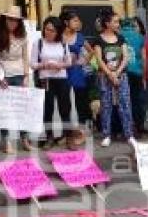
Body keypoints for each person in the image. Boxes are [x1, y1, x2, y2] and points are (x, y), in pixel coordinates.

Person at [93, 9, 137, 148]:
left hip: (121, 75)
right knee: (106, 105)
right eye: (115, 21)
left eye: (118, 21)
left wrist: (117, 73)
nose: (118, 24)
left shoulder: (121, 38)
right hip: (104, 76)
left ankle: (129, 134)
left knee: (125, 104)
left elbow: (125, 57)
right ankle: (106, 134)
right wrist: (110, 74)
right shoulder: (98, 39)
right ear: (107, 23)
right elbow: (99, 60)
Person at [0, 5, 32, 153]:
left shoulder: (23, 36)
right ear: (4, 20)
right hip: (3, 75)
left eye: (15, 20)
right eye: (10, 19)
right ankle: (7, 142)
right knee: (4, 110)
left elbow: (25, 57)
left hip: (19, 74)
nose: (13, 23)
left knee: (22, 108)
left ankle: (25, 139)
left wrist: (26, 76)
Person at [31, 16, 73, 149]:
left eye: (52, 30)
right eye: (47, 29)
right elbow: (32, 64)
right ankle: (49, 137)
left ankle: (68, 136)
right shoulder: (38, 43)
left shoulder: (63, 43)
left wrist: (60, 65)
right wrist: (44, 65)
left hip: (61, 78)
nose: (49, 32)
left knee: (65, 108)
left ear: (58, 32)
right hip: (46, 79)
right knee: (47, 109)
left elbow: (69, 62)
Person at [61, 11, 94, 146]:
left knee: (81, 102)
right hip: (63, 72)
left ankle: (82, 132)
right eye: (74, 20)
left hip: (77, 73)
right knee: (65, 104)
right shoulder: (59, 36)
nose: (78, 23)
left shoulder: (79, 36)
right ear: (66, 23)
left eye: (78, 20)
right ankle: (67, 133)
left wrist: (84, 60)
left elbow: (91, 51)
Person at [121, 17, 148, 137]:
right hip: (137, 73)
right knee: (137, 100)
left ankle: (126, 128)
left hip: (123, 72)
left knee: (124, 101)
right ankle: (138, 127)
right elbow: (144, 58)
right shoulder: (139, 37)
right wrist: (143, 75)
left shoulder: (119, 36)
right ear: (132, 25)